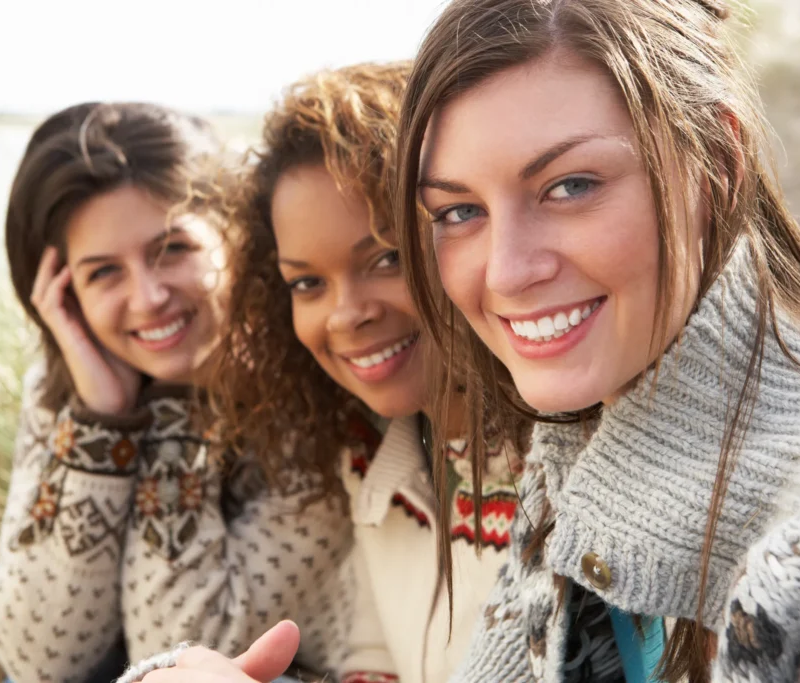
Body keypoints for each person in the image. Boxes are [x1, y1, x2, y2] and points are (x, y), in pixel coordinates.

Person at [393, 0, 800, 681]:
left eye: (571, 186)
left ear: (717, 165)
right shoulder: (577, 456)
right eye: (460, 212)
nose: (506, 272)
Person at [117, 63, 524, 683]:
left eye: (387, 258)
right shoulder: (369, 454)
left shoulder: (554, 469)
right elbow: (377, 662)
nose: (345, 315)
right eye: (307, 283)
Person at [0, 101, 354, 683]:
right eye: (104, 272)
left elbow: (180, 651)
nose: (149, 296)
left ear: (236, 238)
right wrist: (104, 419)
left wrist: (183, 400)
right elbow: (37, 660)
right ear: (65, 294)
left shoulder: (312, 389)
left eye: (171, 249)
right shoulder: (70, 392)